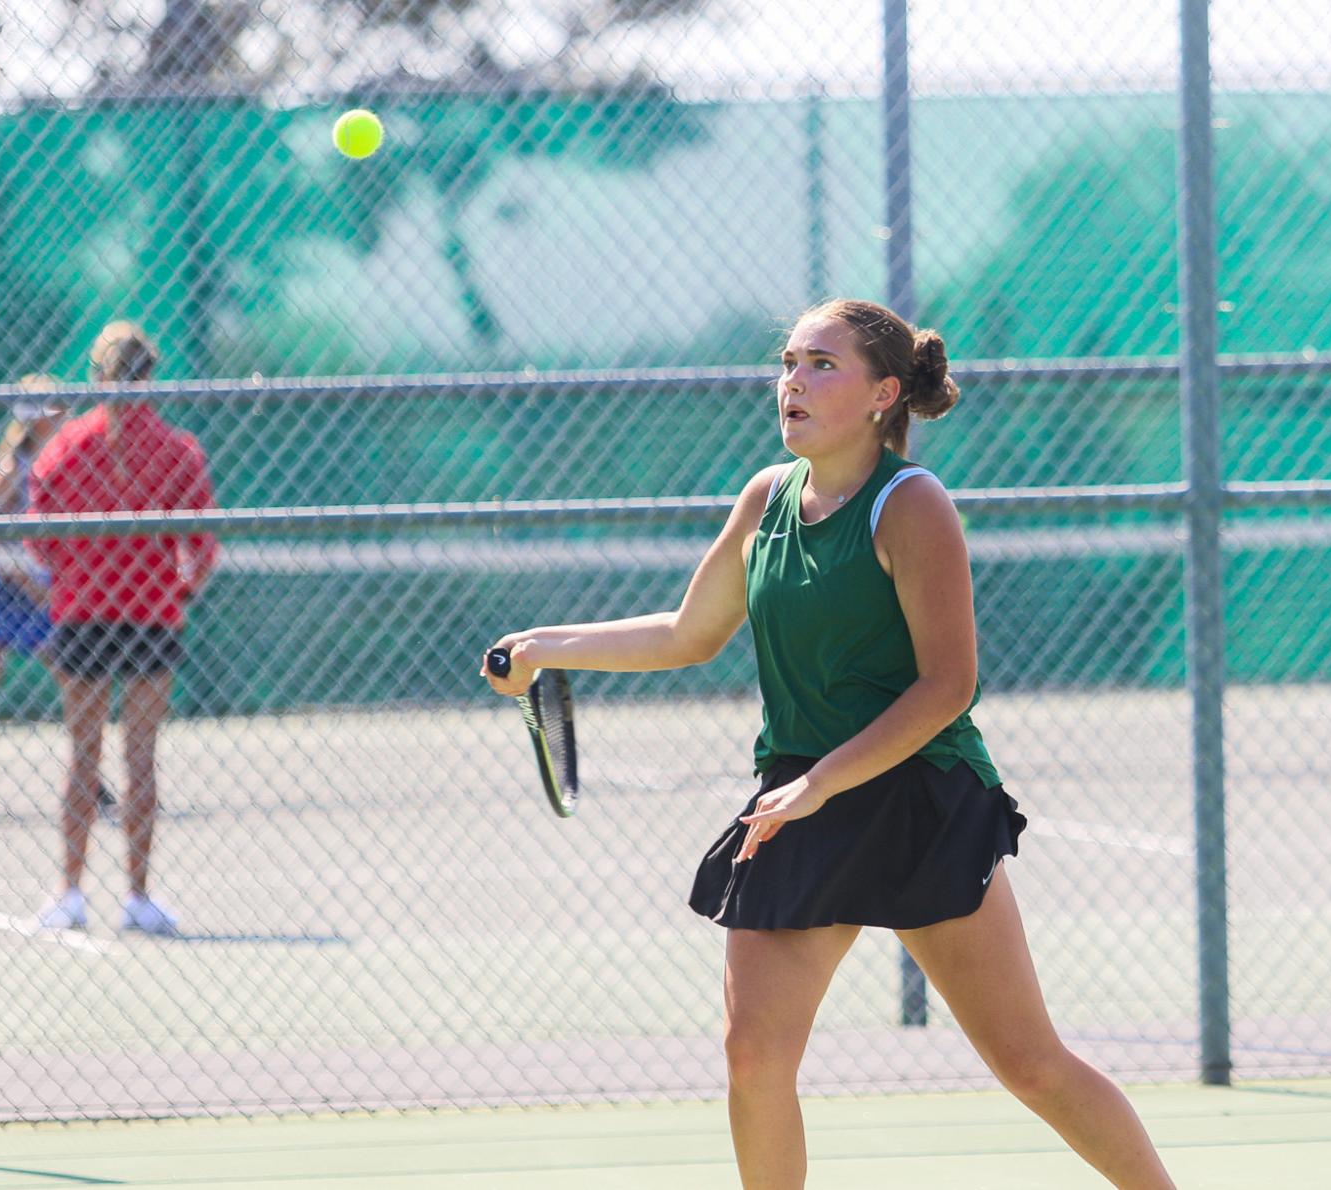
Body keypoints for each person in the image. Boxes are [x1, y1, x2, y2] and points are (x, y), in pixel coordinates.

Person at [485, 299, 1176, 1188]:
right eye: (788, 362)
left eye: (820, 365)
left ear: (884, 394)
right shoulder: (765, 499)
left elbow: (946, 686)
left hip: (914, 793)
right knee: (752, 1057)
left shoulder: (912, 506)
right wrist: (545, 647)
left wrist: (825, 783)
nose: (792, 382)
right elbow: (688, 635)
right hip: (795, 798)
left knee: (1029, 1065)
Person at [32, 322, 218, 935]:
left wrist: (72, 577)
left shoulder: (66, 446)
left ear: (96, 375)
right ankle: (137, 896)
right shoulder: (176, 448)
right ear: (150, 375)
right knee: (141, 758)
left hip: (81, 613)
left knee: (82, 755)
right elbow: (202, 544)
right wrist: (179, 590)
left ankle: (69, 893)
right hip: (151, 615)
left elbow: (39, 536)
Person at [0, 377, 70, 744]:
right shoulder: (13, 468)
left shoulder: (58, 464)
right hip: (2, 591)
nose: (63, 415)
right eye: (53, 409)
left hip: (37, 590)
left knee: (75, 680)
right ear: (35, 418)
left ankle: (89, 779)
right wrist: (27, 580)